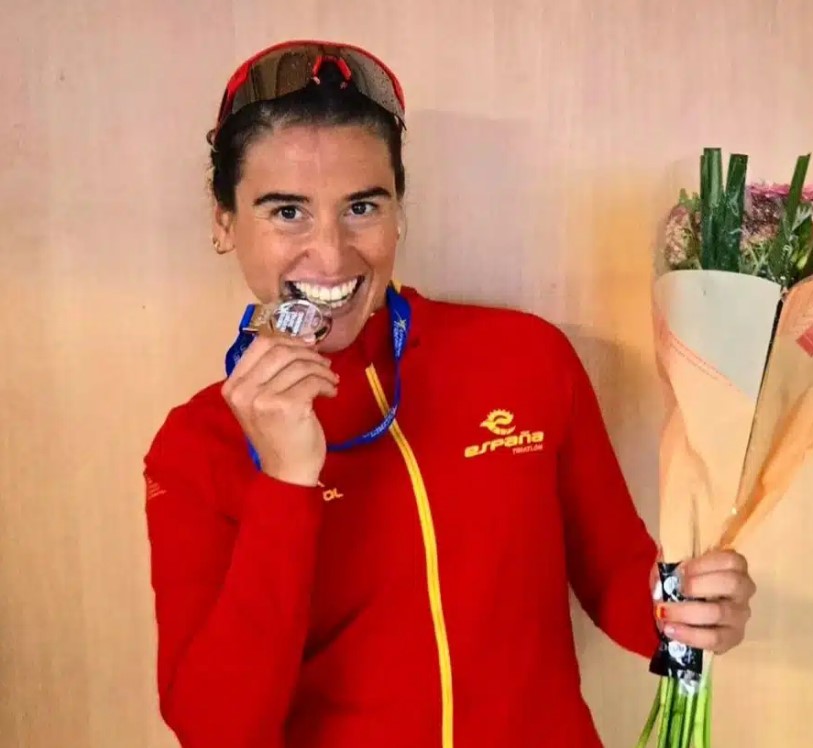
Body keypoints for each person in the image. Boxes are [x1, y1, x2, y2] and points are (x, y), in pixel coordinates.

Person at [143, 40, 757, 748]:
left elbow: (617, 577)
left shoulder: (523, 357)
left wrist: (687, 609)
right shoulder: (197, 446)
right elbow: (217, 730)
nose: (332, 254)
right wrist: (285, 483)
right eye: (286, 212)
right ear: (225, 224)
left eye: (362, 207)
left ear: (399, 211)